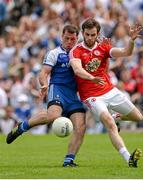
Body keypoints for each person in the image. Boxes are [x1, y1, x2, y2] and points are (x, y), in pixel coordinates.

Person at [6, 25, 86, 167]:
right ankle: (22, 127)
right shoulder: (54, 53)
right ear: (62, 37)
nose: (69, 41)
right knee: (53, 116)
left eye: (72, 39)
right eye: (66, 38)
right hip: (58, 89)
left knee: (80, 126)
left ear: (77, 39)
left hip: (73, 95)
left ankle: (69, 161)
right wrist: (44, 84)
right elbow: (43, 73)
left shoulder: (80, 53)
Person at [70, 18, 143, 168]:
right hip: (91, 96)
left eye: (93, 35)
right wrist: (92, 78)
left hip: (110, 90)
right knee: (110, 124)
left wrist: (131, 40)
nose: (89, 38)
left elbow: (125, 52)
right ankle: (128, 158)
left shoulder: (103, 47)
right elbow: (77, 70)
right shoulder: (76, 50)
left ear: (97, 34)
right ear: (82, 33)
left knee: (138, 117)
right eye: (87, 34)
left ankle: (115, 117)